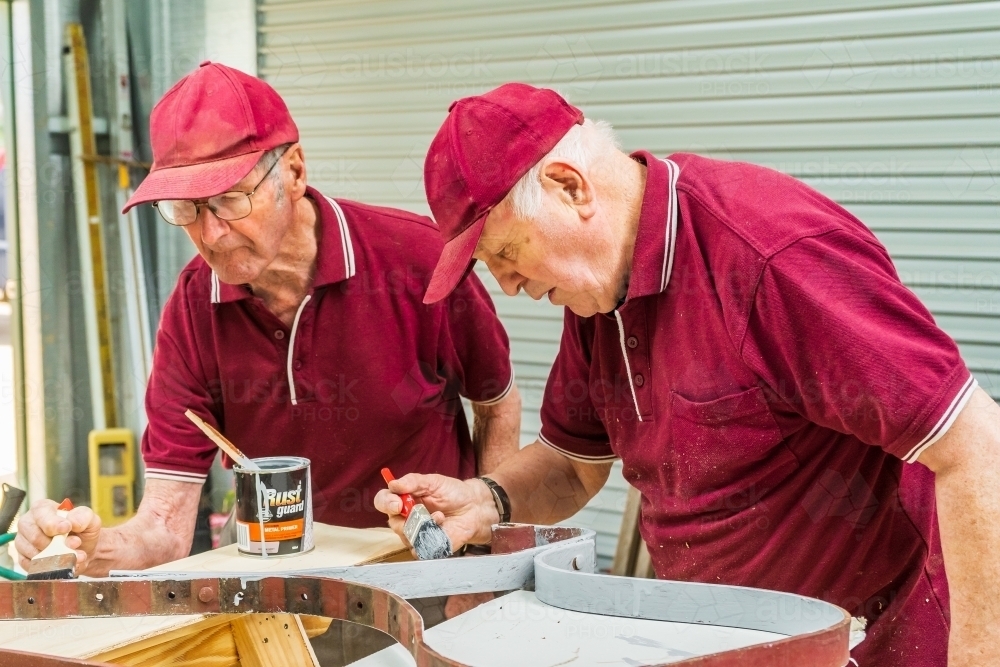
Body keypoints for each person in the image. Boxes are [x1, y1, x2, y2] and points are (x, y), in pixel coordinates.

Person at [375, 83, 1000, 666]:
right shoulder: (597, 298)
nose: (508, 285)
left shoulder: (770, 257)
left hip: (878, 640)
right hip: (725, 641)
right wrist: (485, 500)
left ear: (571, 187)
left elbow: (978, 449)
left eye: (507, 253)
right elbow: (572, 467)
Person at [15, 63, 520, 577]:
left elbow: (497, 407)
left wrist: (486, 556)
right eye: (185, 209)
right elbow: (164, 529)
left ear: (295, 172)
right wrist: (88, 547)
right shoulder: (193, 307)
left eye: (231, 200)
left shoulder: (417, 261)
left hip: (419, 567)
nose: (211, 234)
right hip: (271, 587)